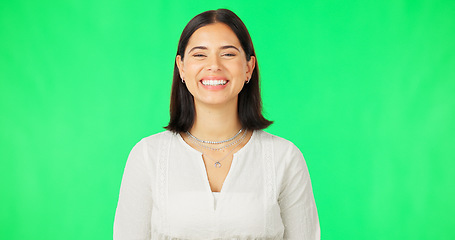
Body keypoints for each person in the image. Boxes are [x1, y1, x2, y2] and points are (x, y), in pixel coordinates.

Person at [114, 9, 320, 240]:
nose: (214, 66)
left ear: (249, 67)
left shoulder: (285, 157)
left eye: (228, 54)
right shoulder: (147, 156)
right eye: (200, 55)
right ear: (181, 67)